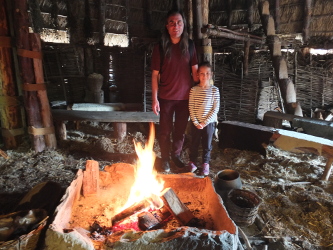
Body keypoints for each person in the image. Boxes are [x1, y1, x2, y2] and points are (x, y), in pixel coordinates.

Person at [151, 9, 198, 172]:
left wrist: (204, 93)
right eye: (172, 23)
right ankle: (164, 158)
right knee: (164, 131)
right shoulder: (160, 47)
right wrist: (155, 99)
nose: (175, 26)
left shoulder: (190, 45)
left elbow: (195, 72)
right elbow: (155, 75)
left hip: (185, 98)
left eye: (179, 22)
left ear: (183, 25)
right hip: (165, 98)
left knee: (179, 132)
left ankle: (176, 156)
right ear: (167, 26)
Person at [188, 61, 220, 176]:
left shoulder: (214, 91)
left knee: (207, 145)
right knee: (194, 143)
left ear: (211, 75)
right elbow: (191, 107)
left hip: (209, 124)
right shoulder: (194, 90)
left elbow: (215, 109)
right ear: (197, 75)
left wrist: (204, 122)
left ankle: (205, 164)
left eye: (207, 73)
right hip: (195, 123)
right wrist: (196, 122)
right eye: (201, 73)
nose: (204, 76)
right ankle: (192, 163)